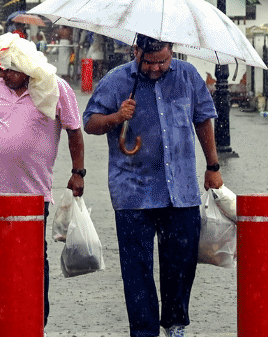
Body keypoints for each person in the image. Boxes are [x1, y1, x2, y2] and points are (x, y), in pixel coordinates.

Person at [83, 35, 221, 337]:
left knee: (180, 265)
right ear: (137, 52)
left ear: (172, 51)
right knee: (137, 270)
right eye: (150, 62)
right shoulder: (118, 80)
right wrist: (117, 117)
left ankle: (174, 323)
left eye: (163, 61)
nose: (156, 68)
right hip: (133, 191)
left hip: (180, 191)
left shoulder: (188, 76)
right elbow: (90, 122)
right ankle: (144, 332)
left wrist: (213, 166)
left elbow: (203, 120)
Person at [0, 33, 85, 329]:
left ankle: (38, 316)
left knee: (33, 259)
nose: (2, 74)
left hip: (32, 194)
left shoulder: (55, 88)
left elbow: (75, 132)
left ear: (26, 67)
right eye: (0, 68)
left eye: (9, 69)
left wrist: (78, 172)